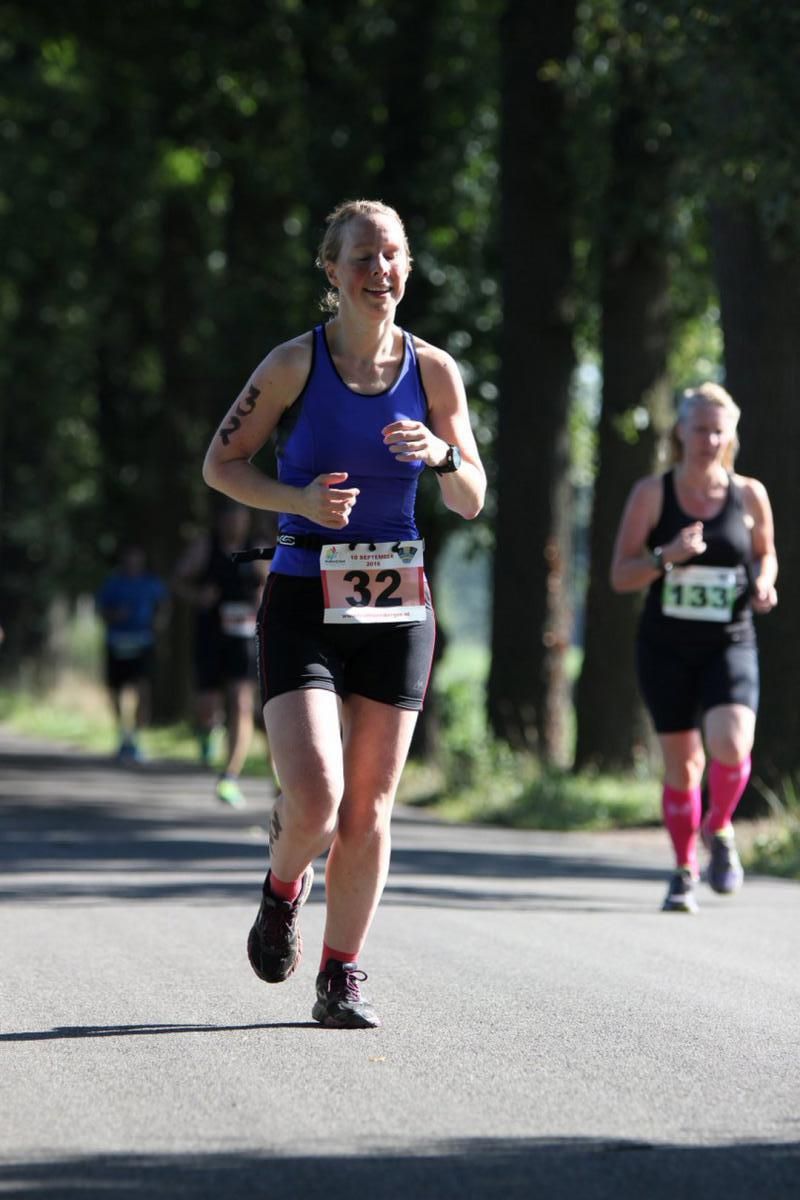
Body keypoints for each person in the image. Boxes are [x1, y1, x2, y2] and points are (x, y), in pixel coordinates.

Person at [202, 198, 486, 1028]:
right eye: (362, 257)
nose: (380, 271)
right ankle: (283, 888)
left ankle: (341, 974)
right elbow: (222, 463)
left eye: (392, 255)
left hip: (398, 607)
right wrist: (296, 500)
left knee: (368, 808)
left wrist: (441, 456)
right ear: (331, 270)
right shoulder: (295, 364)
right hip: (303, 594)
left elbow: (471, 497)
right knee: (318, 798)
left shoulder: (434, 372)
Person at [610, 382, 778, 914]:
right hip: (666, 647)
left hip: (729, 639)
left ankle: (720, 826)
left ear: (731, 435)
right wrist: (667, 556)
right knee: (683, 768)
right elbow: (621, 575)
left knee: (731, 742)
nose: (708, 439)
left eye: (717, 430)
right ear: (680, 432)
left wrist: (765, 582)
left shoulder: (748, 494)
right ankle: (685, 869)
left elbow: (765, 554)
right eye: (699, 428)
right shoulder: (652, 494)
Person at [172, 503, 270, 808]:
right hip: (211, 634)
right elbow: (178, 581)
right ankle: (207, 731)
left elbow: (275, 583)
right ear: (220, 520)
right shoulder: (206, 546)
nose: (234, 524)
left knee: (241, 704)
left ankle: (229, 777)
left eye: (240, 519)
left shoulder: (257, 547)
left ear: (247, 520)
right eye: (229, 518)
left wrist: (263, 593)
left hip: (245, 637)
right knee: (208, 705)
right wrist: (197, 596)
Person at [96, 545, 168, 762]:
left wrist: (159, 622)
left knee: (143, 689)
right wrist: (113, 615)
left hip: (143, 641)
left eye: (136, 559)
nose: (132, 563)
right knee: (116, 690)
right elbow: (100, 609)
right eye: (129, 559)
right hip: (117, 641)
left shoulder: (151, 583)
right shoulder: (113, 583)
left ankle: (137, 738)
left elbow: (164, 605)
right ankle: (122, 734)